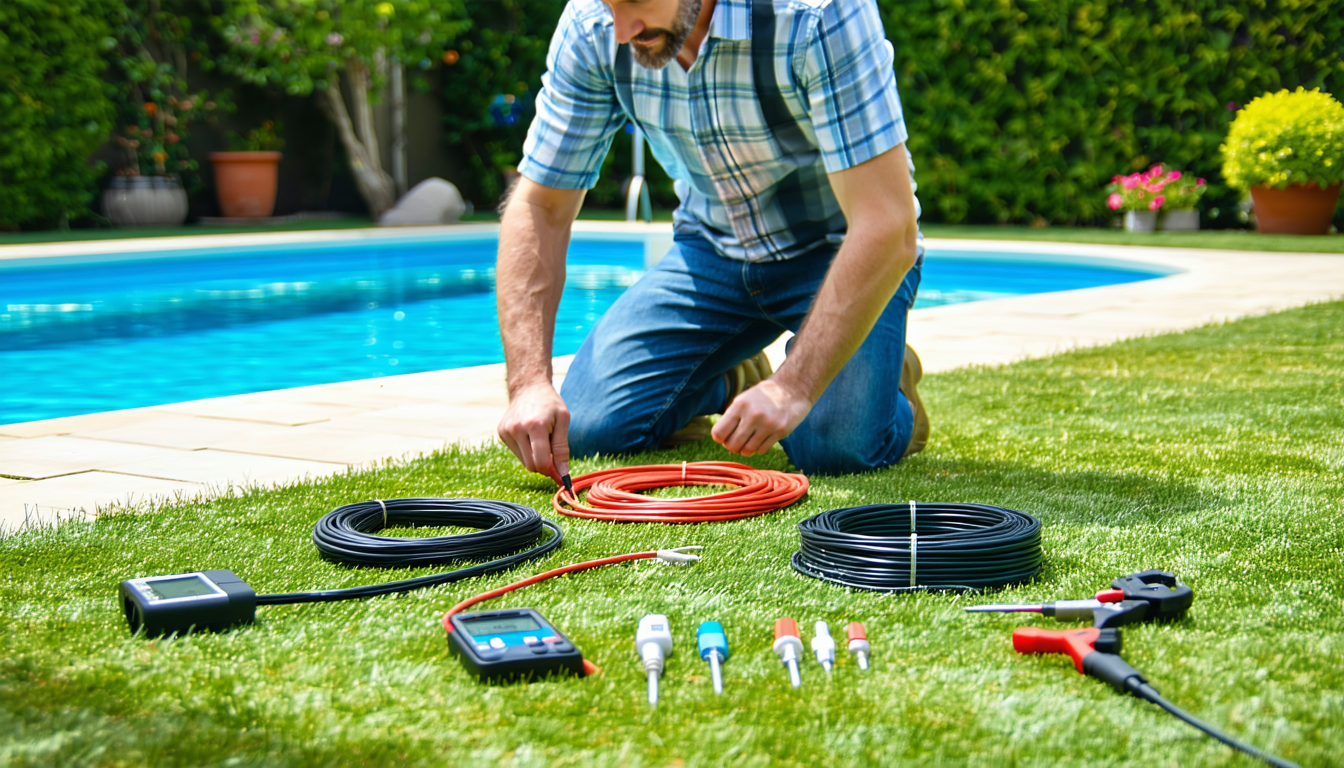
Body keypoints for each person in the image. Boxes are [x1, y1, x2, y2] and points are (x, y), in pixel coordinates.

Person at [495, 0, 928, 484]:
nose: (620, 30)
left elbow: (888, 223)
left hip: (838, 250)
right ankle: (734, 375)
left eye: (635, 2)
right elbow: (540, 206)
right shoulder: (590, 25)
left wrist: (793, 387)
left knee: (832, 445)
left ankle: (889, 383)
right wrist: (529, 383)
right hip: (710, 252)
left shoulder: (818, 13)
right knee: (589, 425)